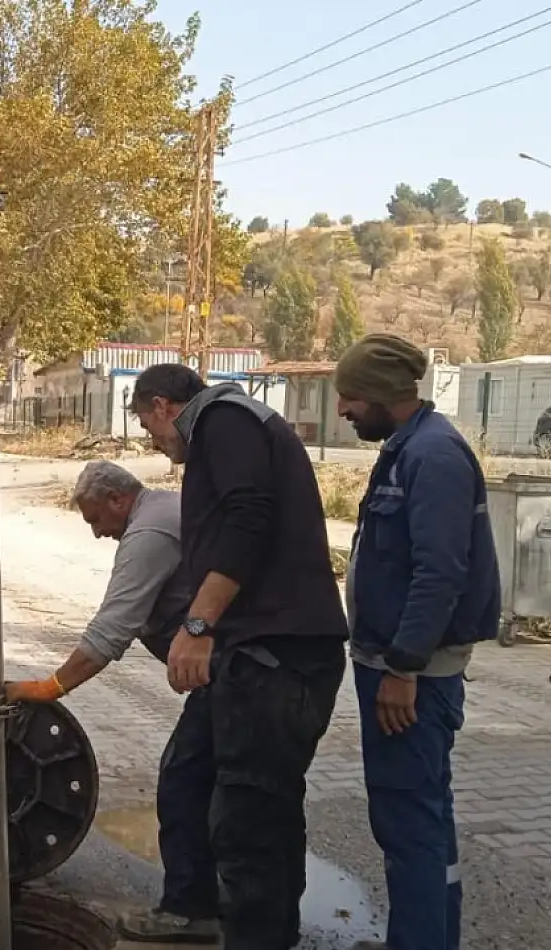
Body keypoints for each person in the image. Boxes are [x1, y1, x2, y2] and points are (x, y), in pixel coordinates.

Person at [125, 362, 349, 950]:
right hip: (246, 654)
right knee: (188, 774)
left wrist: (198, 623)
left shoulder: (224, 420)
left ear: (163, 406)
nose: (151, 440)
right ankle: (192, 907)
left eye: (146, 424)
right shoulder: (225, 431)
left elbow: (250, 517)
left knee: (252, 816)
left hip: (277, 658)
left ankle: (263, 937)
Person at [334, 335, 500, 950]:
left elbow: (440, 572)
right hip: (396, 664)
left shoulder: (433, 456)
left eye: (350, 397)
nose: (344, 410)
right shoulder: (409, 447)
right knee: (418, 816)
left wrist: (403, 667)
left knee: (409, 820)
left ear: (380, 395)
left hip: (411, 674)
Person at [4, 460, 190, 704]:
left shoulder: (148, 534)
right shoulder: (163, 506)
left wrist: (49, 688)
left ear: (116, 499)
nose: (97, 533)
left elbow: (112, 628)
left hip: (239, 668)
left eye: (95, 519)